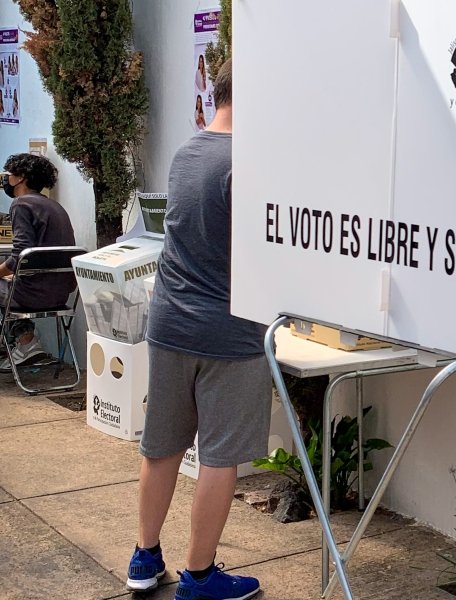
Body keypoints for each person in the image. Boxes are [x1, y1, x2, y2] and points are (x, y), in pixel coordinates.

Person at [126, 58, 267, 600]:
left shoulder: (188, 152)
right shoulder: (248, 162)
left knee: (160, 447)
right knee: (219, 455)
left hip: (170, 322)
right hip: (228, 333)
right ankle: (200, 576)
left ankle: (144, 557)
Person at [0, 154, 76, 370]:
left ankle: (26, 342)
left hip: (32, 296)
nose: (6, 179)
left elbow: (20, 254)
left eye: (9, 174)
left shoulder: (21, 204)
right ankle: (26, 341)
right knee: (8, 281)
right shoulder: (55, 207)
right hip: (60, 294)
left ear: (21, 177)